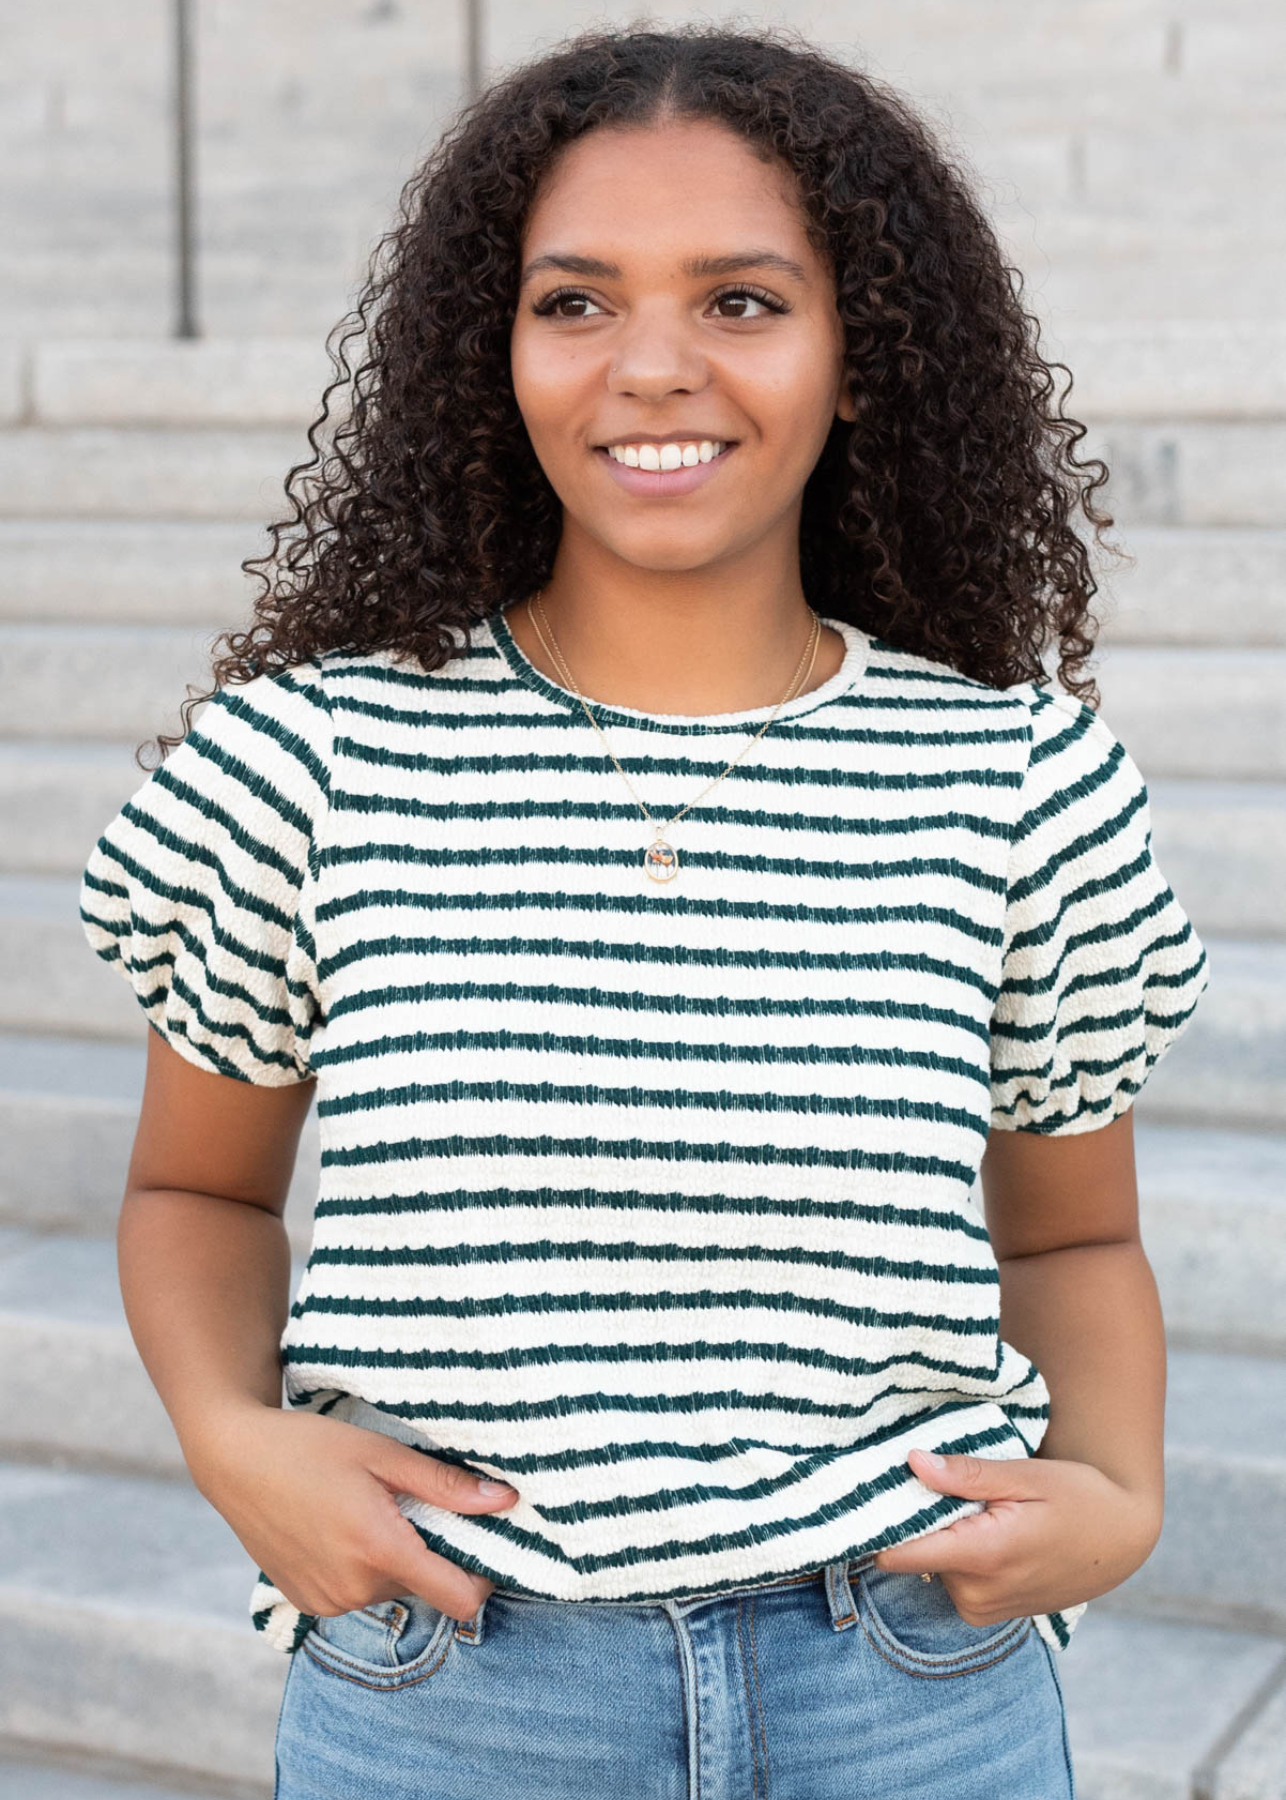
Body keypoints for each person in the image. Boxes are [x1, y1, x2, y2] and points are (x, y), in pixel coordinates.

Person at [78, 22, 1210, 1799]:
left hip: (908, 1687)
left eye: (743, 302)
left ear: (860, 360)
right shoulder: (311, 757)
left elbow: (1071, 1235)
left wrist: (1122, 1491)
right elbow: (193, 1186)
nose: (653, 367)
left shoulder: (1017, 782)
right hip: (452, 1687)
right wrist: (232, 1442)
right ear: (494, 351)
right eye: (576, 302)